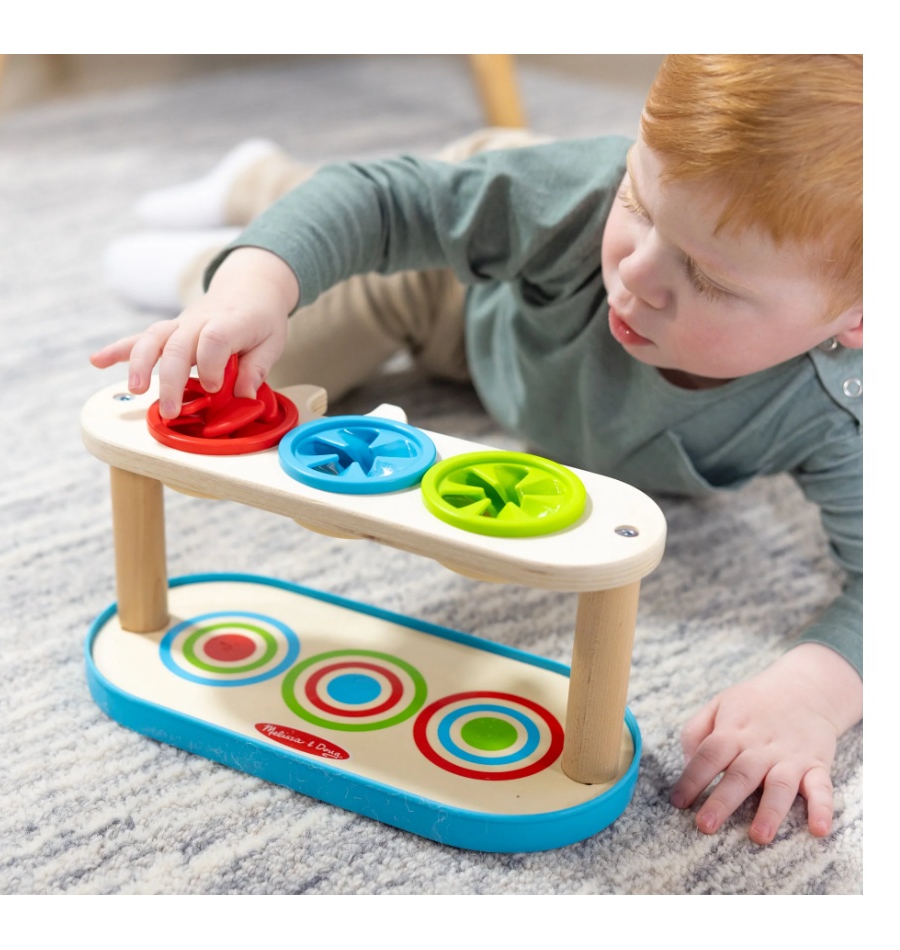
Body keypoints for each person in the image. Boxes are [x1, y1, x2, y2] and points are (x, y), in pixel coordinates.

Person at [91, 54, 863, 846]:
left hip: (519, 344)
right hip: (449, 293)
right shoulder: (576, 197)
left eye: (710, 278)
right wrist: (249, 286)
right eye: (638, 200)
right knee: (228, 364)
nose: (635, 273)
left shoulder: (846, 412)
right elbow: (383, 202)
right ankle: (251, 201)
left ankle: (258, 200)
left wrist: (813, 694)